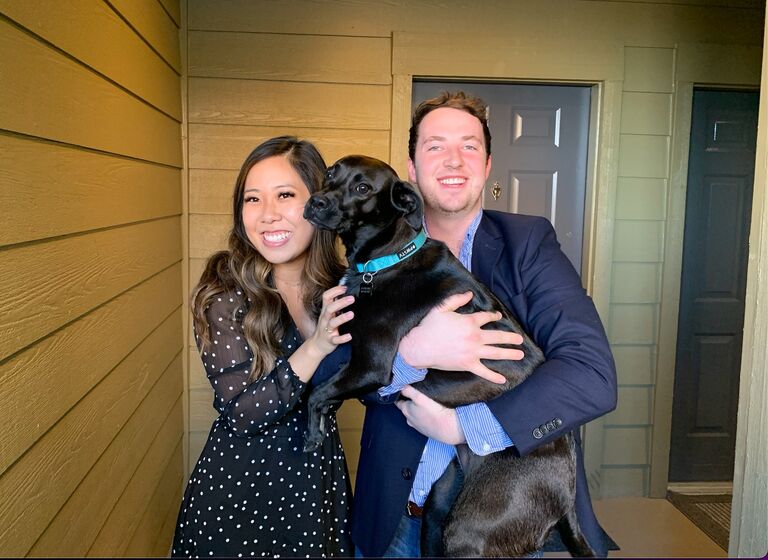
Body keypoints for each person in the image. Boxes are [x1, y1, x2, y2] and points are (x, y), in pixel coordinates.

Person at [350, 92, 618, 557]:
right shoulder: (375, 256)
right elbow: (347, 373)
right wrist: (413, 353)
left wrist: (467, 426)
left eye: (469, 145)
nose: (453, 159)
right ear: (411, 167)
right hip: (397, 518)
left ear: (488, 163)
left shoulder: (528, 243)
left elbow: (591, 375)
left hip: (502, 526)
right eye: (435, 145)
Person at [171, 136, 357, 557]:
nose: (268, 215)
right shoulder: (225, 291)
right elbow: (242, 412)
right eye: (253, 199)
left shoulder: (343, 286)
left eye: (286, 195)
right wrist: (317, 345)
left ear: (319, 204)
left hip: (318, 486)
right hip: (241, 498)